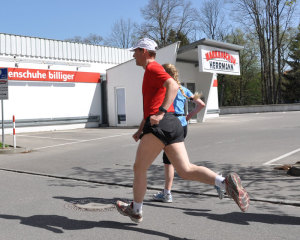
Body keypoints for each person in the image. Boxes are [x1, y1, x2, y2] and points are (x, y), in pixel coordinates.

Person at [116, 38, 249, 223]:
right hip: (173, 124)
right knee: (185, 170)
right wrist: (140, 130)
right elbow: (150, 107)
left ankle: (136, 210)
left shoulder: (153, 68)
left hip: (160, 125)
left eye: (136, 51)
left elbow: (172, 85)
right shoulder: (151, 71)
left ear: (144, 52)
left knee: (139, 168)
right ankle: (224, 182)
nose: (133, 55)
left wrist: (161, 113)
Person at [153, 63, 209, 203]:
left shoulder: (166, 89)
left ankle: (167, 193)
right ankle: (167, 192)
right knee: (173, 161)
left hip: (169, 124)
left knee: (170, 162)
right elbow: (201, 104)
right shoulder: (183, 89)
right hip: (182, 125)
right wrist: (188, 116)